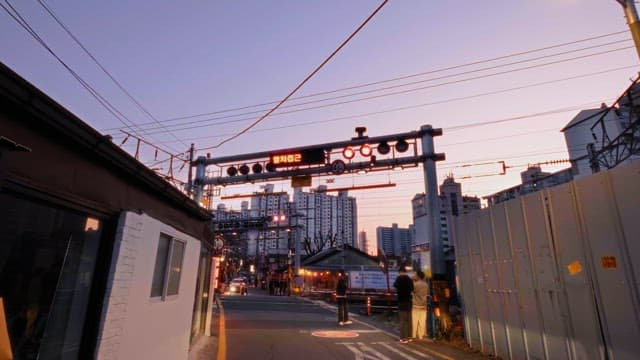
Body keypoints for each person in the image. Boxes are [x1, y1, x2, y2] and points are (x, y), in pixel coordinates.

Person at [393, 266, 414, 343]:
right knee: (409, 320)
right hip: (409, 301)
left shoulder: (399, 278)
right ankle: (409, 337)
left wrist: (399, 291)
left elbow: (395, 288)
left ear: (400, 272)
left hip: (401, 301)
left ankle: (403, 338)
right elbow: (412, 289)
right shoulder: (410, 279)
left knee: (403, 320)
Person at [411, 271, 429, 340]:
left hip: (415, 305)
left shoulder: (415, 284)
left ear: (418, 276)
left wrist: (412, 280)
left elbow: (411, 291)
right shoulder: (426, 285)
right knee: (422, 322)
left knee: (414, 321)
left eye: (415, 275)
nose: (414, 276)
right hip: (423, 305)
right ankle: (420, 336)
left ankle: (413, 335)